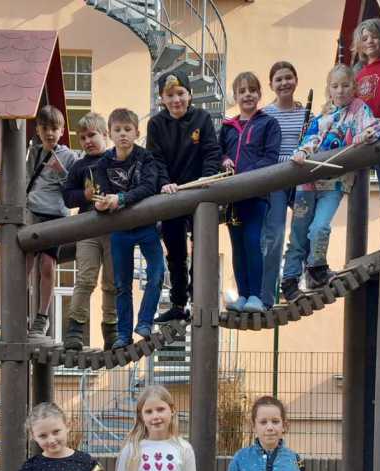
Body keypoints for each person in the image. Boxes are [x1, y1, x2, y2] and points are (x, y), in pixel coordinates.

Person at [280, 63, 380, 302]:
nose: (341, 90)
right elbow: (311, 139)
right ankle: (290, 279)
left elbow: (373, 128)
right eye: (335, 86)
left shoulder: (359, 110)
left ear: (354, 87)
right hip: (309, 182)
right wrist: (303, 152)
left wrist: (363, 136)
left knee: (320, 226)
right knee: (299, 233)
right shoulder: (322, 116)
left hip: (335, 182)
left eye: (346, 85)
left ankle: (316, 269)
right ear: (329, 89)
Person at [147, 68, 223, 322]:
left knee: (202, 249)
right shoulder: (156, 125)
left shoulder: (202, 118)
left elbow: (212, 151)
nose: (176, 100)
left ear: (189, 94)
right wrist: (165, 183)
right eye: (169, 95)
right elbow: (155, 159)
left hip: (199, 194)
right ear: (162, 99)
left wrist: (207, 177)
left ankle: (199, 297)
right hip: (171, 195)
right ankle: (179, 303)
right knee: (176, 252)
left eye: (180, 93)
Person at [92, 108, 165, 349]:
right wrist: (102, 202)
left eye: (127, 130)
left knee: (156, 272)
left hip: (145, 225)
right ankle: (124, 335)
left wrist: (120, 198)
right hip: (120, 228)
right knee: (121, 284)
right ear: (109, 133)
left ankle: (145, 322)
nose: (123, 134)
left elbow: (148, 186)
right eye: (118, 130)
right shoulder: (104, 163)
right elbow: (100, 190)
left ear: (136, 132)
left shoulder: (145, 157)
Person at [220, 71, 281, 313]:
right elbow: (218, 153)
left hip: (256, 194)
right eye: (242, 91)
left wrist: (247, 177)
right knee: (237, 246)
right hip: (232, 197)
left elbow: (270, 157)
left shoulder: (268, 123)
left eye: (252, 90)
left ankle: (256, 294)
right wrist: (224, 160)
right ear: (235, 96)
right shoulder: (227, 127)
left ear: (259, 94)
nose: (247, 95)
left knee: (253, 241)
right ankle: (243, 295)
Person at [62, 111, 119, 351]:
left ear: (105, 134)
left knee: (113, 282)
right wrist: (82, 196)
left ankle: (112, 330)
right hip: (88, 229)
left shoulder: (116, 159)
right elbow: (67, 197)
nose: (87, 141)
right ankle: (75, 330)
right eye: (82, 137)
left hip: (115, 229)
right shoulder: (79, 166)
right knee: (85, 279)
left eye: (92, 135)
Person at [26, 106, 81, 338]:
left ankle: (42, 317)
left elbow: (75, 189)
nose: (50, 133)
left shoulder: (70, 156)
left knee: (47, 265)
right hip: (31, 214)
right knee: (25, 265)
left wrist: (61, 172)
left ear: (62, 131)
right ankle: (22, 312)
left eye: (54, 128)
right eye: (45, 128)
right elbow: (26, 180)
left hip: (55, 216)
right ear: (38, 130)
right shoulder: (33, 154)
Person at [261, 61, 309, 309]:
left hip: (301, 174)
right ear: (271, 85)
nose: (284, 83)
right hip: (277, 177)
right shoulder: (266, 114)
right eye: (278, 79)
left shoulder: (305, 114)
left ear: (296, 80)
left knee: (305, 228)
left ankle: (299, 280)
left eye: (288, 78)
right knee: (275, 235)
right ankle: (267, 296)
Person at [352, 17, 380, 196]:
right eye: (365, 38)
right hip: (361, 133)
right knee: (356, 187)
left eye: (374, 36)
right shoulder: (359, 73)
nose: (370, 41)